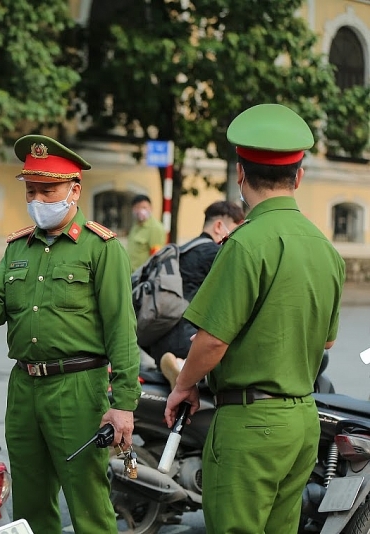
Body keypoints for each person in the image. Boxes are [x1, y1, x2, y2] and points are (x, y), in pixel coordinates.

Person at [0, 135, 141, 533]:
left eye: (47, 190)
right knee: (30, 501)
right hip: (25, 387)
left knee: (87, 503)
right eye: (31, 191)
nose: (38, 199)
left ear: (74, 190)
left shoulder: (100, 248)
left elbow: (122, 329)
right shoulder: (19, 247)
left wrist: (123, 404)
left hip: (78, 388)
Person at [164, 104, 346, 534]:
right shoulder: (325, 249)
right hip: (302, 420)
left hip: (249, 426)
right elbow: (327, 343)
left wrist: (184, 385)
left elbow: (211, 342)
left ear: (240, 174)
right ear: (298, 177)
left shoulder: (244, 244)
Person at [154, 200, 245, 388]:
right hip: (188, 341)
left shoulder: (184, 250)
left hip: (160, 338)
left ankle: (180, 365)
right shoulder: (216, 253)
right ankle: (182, 365)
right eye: (237, 230)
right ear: (220, 226)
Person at [126, 194, 166, 271]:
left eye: (144, 207)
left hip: (142, 276)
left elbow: (156, 257)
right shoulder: (135, 226)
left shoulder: (155, 228)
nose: (140, 211)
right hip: (131, 274)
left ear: (151, 208)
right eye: (137, 207)